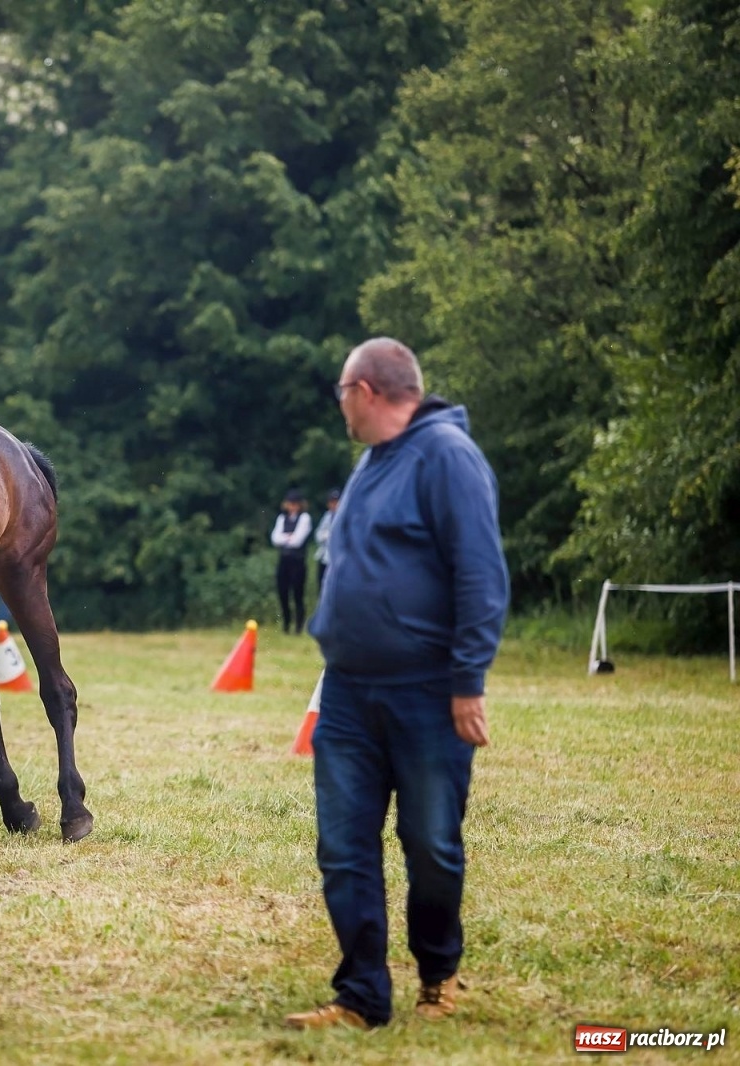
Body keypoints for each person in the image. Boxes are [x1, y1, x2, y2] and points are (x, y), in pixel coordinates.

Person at [289, 338, 509, 1031]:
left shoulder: (447, 457)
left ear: (366, 391)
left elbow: (481, 574)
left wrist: (467, 681)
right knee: (344, 845)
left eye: (341, 394)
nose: (340, 407)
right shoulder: (370, 463)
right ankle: (361, 995)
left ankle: (439, 975)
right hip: (350, 691)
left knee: (432, 843)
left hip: (426, 690)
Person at [270, 489, 311, 633]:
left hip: (298, 560)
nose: (292, 506)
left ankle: (299, 625)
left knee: (298, 594)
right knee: (283, 592)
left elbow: (297, 541)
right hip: (285, 560)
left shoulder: (305, 518)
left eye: (295, 503)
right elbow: (275, 538)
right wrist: (289, 537)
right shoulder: (282, 518)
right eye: (290, 503)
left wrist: (285, 538)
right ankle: (286, 623)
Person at [313, 488, 340, 597]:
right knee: (322, 588)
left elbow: (337, 536)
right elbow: (318, 535)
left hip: (337, 558)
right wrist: (327, 535)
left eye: (336, 501)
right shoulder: (327, 516)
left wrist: (327, 535)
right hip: (325, 556)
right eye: (331, 502)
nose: (333, 504)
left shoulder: (345, 516)